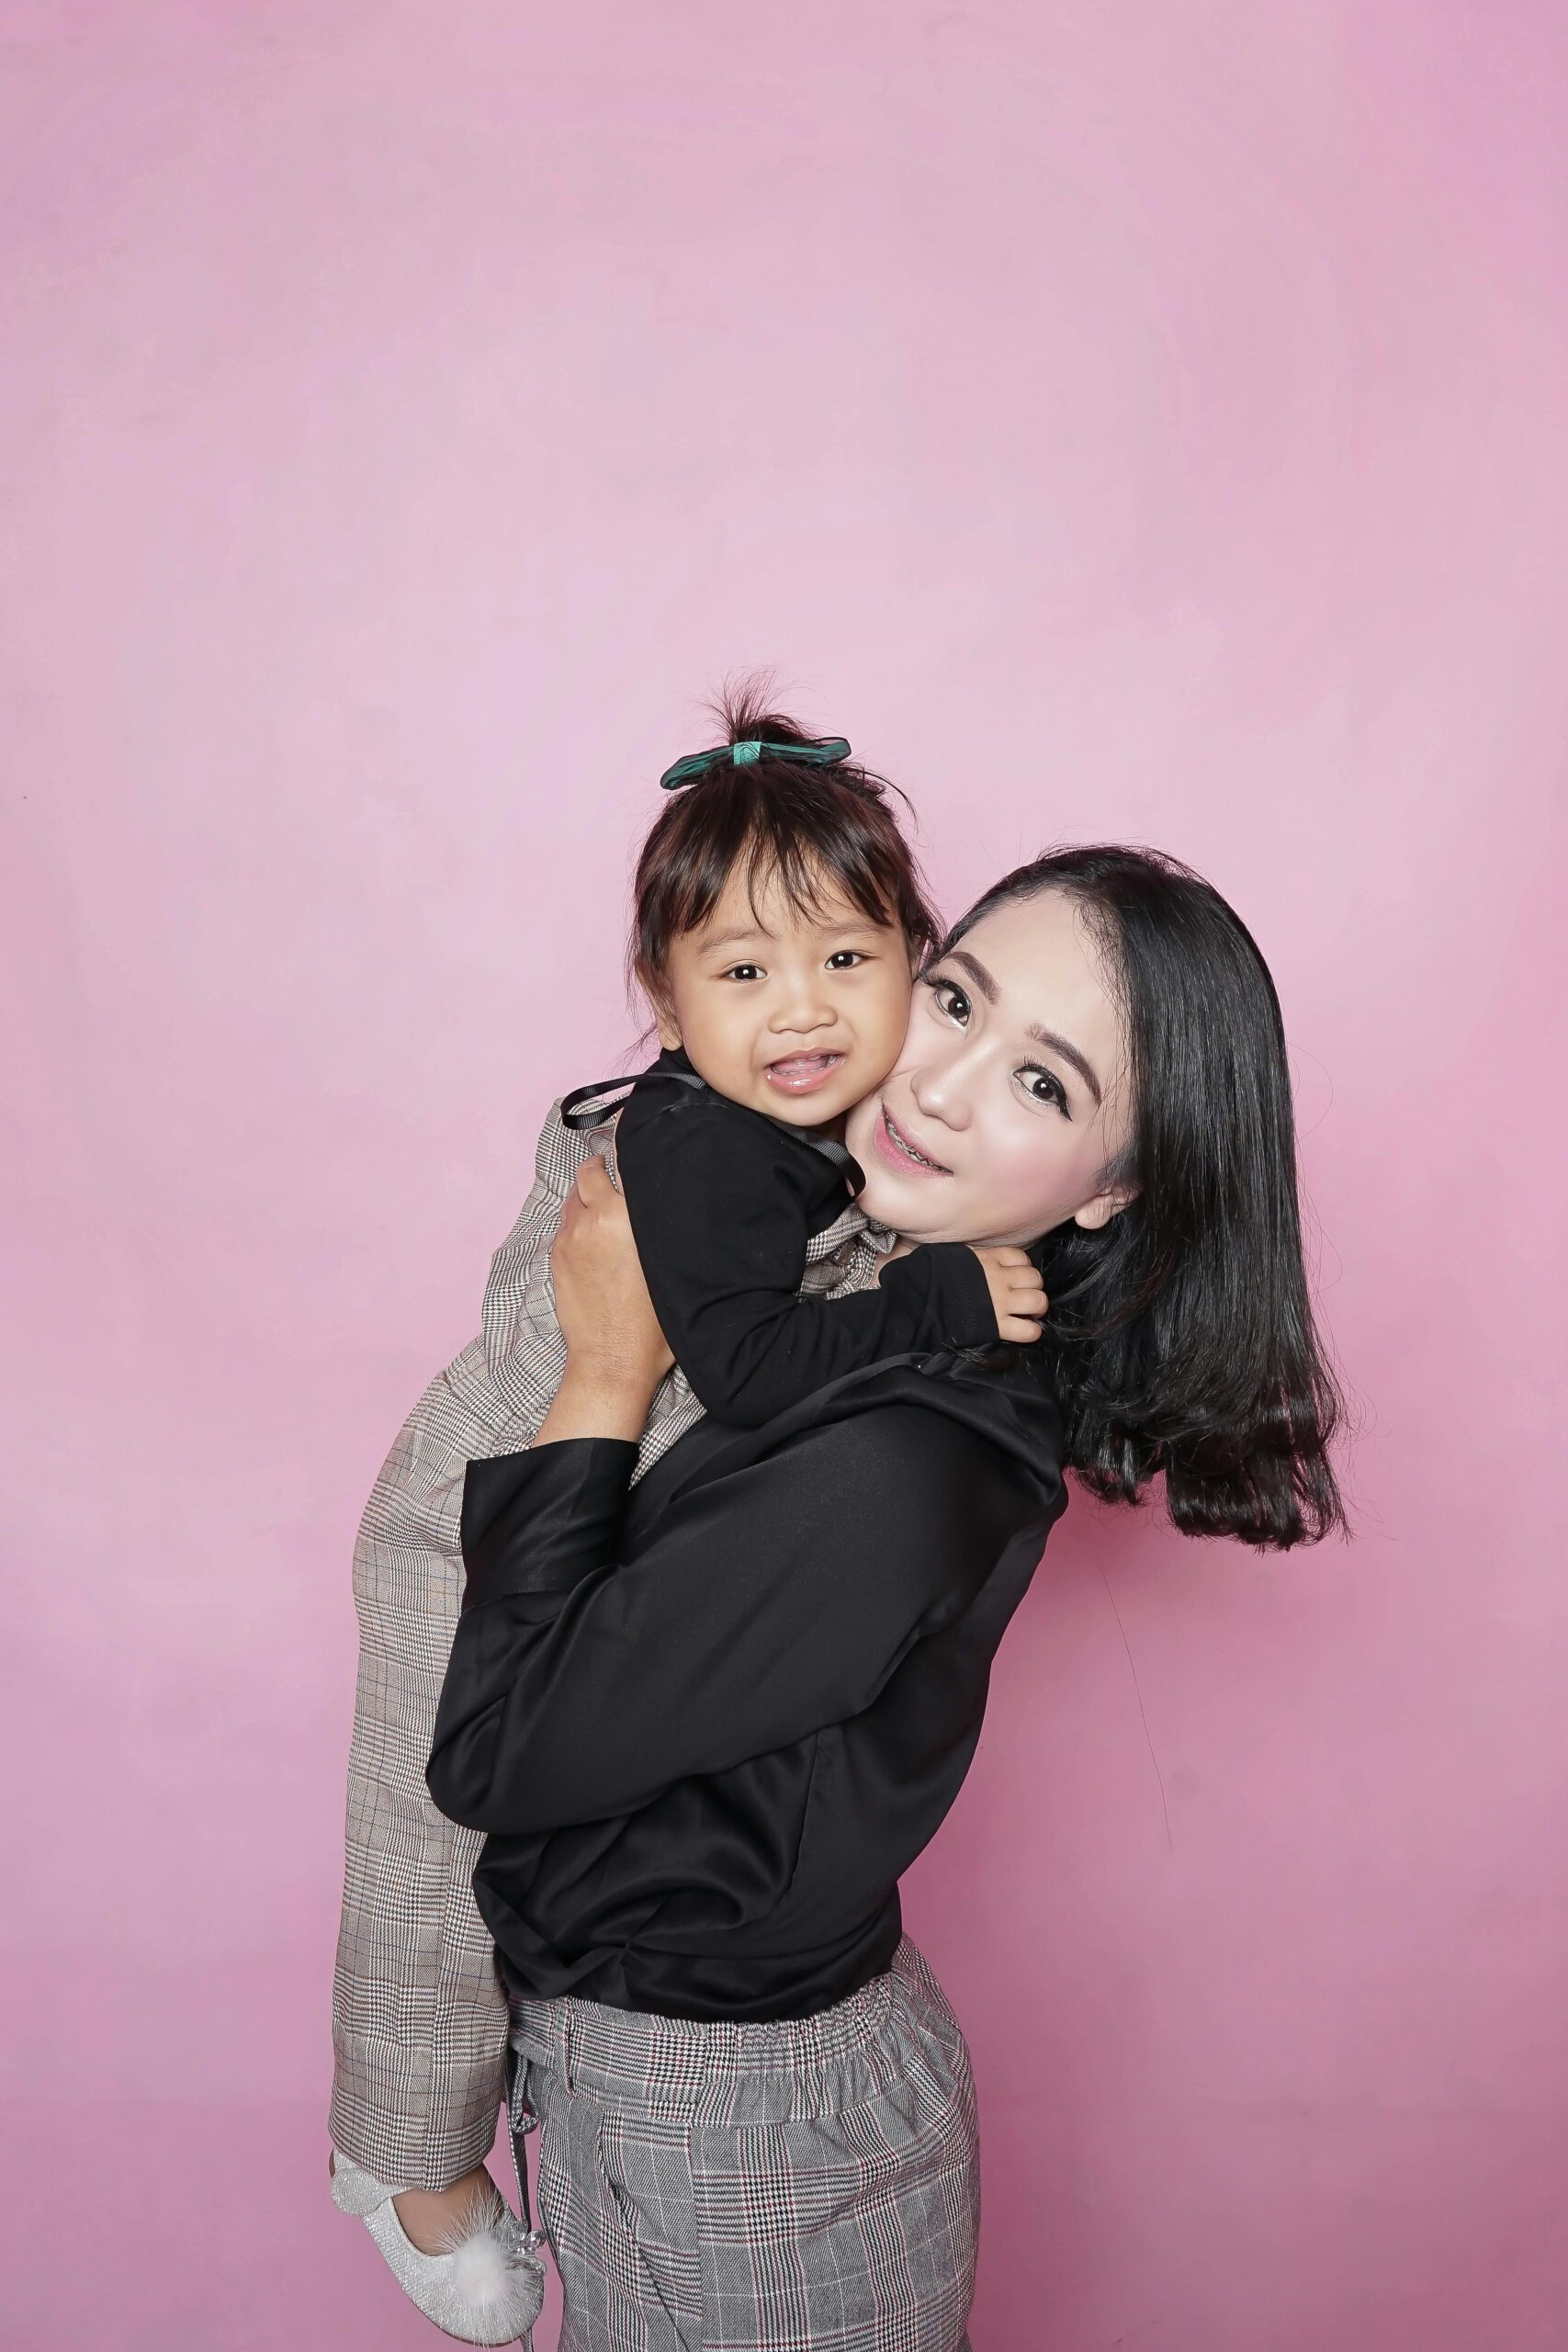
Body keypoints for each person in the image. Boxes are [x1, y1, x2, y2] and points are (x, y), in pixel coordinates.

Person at [424, 843, 1348, 2351]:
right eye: (957, 1000)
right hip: (745, 2092)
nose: (940, 1087)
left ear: (1115, 1188)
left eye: (1042, 1084)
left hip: (737, 2136)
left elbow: (493, 1755)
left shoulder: (897, 1462)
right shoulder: (871, 1319)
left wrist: (604, 1371)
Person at [328, 691, 1043, 2344]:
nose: (802, 1009)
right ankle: (406, 2156)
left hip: (612, 1518)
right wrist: (940, 1300)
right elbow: (756, 1365)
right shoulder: (697, 1152)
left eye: (848, 960)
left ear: (917, 964)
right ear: (662, 999)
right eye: (741, 974)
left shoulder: (830, 1124)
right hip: (470, 1516)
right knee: (434, 1834)